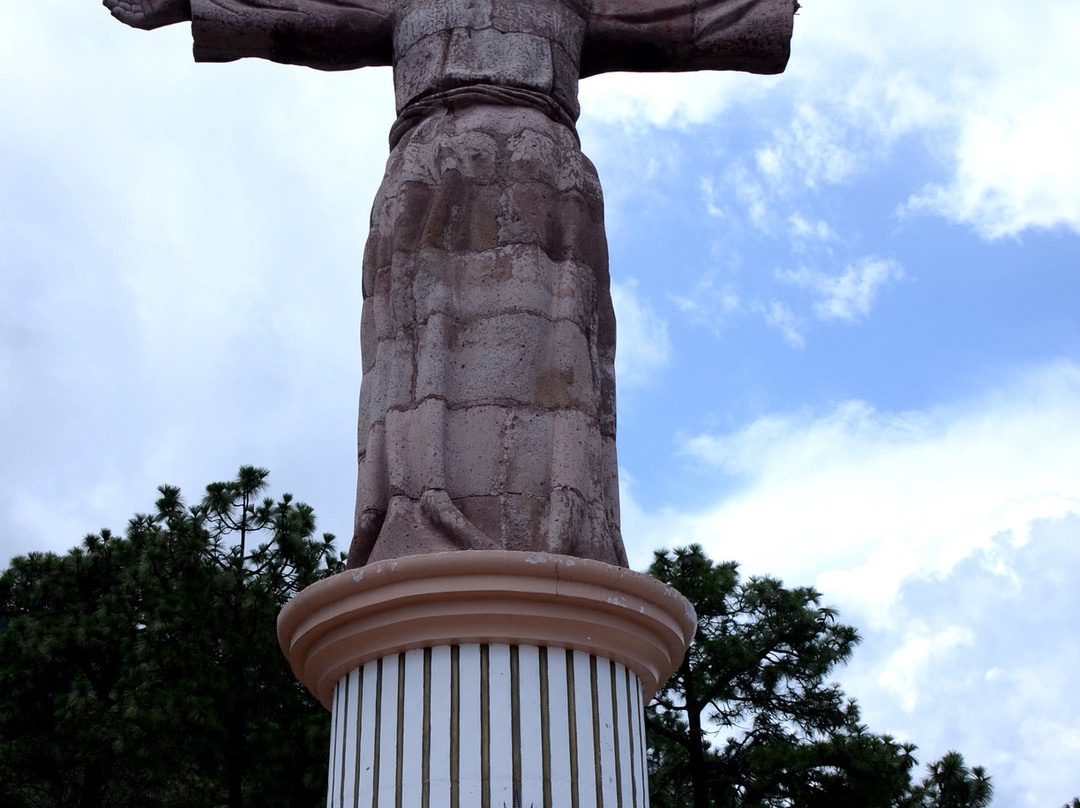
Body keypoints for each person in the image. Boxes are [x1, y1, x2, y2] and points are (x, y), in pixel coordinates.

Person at [103, 0, 795, 568]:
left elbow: (685, 17)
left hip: (544, 175)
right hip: (433, 168)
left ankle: (567, 531)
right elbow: (306, 9)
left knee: (560, 360)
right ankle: (417, 516)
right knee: (417, 348)